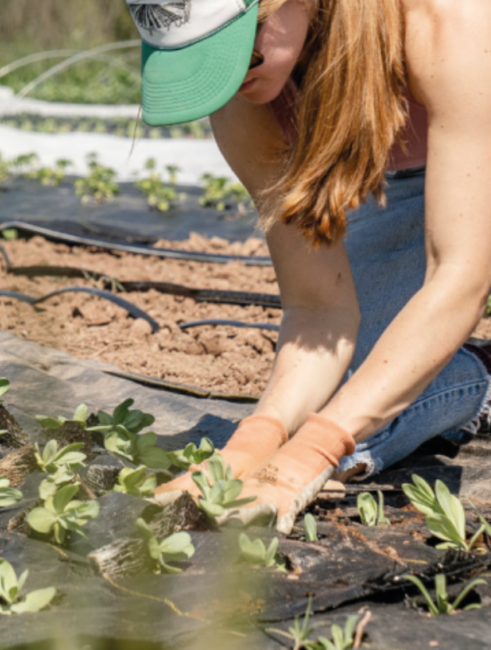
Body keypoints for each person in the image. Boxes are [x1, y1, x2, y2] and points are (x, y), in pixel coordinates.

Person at [128, 0, 491, 533]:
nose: (232, 73)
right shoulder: (241, 94)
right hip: (423, 182)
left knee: (349, 418)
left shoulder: (451, 21)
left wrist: (317, 450)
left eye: (241, 47)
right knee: (357, 389)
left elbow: (458, 276)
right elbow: (320, 310)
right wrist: (259, 440)